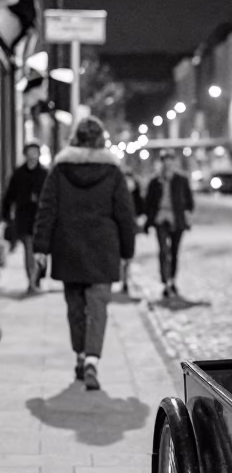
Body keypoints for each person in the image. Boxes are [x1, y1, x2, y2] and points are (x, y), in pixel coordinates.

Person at [33, 116, 136, 390]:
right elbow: (125, 213)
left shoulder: (60, 169)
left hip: (68, 246)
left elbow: (47, 208)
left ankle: (79, 354)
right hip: (104, 247)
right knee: (98, 305)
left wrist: (40, 248)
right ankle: (91, 360)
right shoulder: (113, 171)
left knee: (75, 306)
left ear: (75, 138)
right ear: (101, 139)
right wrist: (128, 251)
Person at [144, 150, 194, 299]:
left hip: (177, 220)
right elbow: (149, 203)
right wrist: (149, 218)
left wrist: (186, 214)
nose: (168, 163)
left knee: (174, 251)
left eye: (171, 159)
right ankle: (165, 281)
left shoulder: (181, 180)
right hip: (161, 219)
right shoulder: (155, 181)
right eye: (166, 160)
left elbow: (189, 202)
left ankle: (172, 279)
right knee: (163, 250)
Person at [1, 141, 48, 294]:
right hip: (25, 217)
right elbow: (10, 196)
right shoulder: (19, 173)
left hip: (42, 218)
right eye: (30, 152)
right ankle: (32, 280)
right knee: (29, 249)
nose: (32, 155)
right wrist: (6, 215)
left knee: (40, 250)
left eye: (35, 152)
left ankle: (37, 277)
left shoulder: (45, 173)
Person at [119, 167, 146, 295]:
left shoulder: (136, 196)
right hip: (119, 227)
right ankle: (123, 279)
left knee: (128, 254)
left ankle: (126, 278)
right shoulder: (117, 195)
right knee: (121, 255)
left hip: (130, 227)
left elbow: (141, 209)